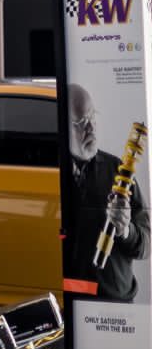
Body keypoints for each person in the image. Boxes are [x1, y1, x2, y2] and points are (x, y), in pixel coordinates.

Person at [64, 83, 149, 303]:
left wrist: (125, 230)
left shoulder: (118, 171)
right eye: (81, 122)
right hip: (71, 301)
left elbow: (147, 245)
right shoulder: (49, 173)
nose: (91, 127)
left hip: (115, 303)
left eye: (93, 116)